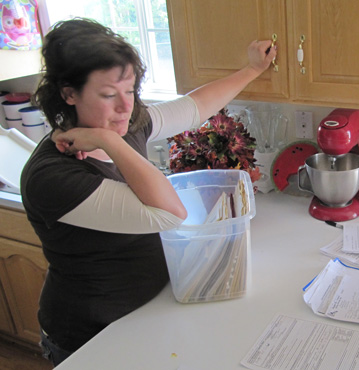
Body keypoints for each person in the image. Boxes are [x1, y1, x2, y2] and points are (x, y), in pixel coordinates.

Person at [20, 18, 276, 366]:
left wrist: (252, 69)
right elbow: (169, 214)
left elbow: (194, 107)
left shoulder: (121, 124)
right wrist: (110, 141)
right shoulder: (53, 176)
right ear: (69, 93)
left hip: (148, 313)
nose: (126, 107)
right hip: (91, 336)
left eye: (131, 91)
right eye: (109, 95)